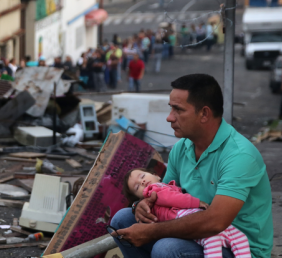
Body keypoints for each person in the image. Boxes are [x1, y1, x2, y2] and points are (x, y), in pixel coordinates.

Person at [110, 74, 272, 258]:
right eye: (171, 108)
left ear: (204, 113)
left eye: (178, 110)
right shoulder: (181, 149)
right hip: (197, 234)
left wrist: (151, 232)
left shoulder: (239, 156)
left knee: (166, 248)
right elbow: (162, 195)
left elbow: (215, 222)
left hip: (236, 247)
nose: (169, 118)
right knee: (122, 220)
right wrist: (140, 205)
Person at [121, 169, 251, 258]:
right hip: (187, 218)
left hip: (203, 220)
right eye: (137, 187)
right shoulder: (155, 189)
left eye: (142, 176)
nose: (142, 182)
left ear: (156, 175)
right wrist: (197, 202)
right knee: (214, 240)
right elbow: (173, 198)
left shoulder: (164, 185)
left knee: (228, 238)